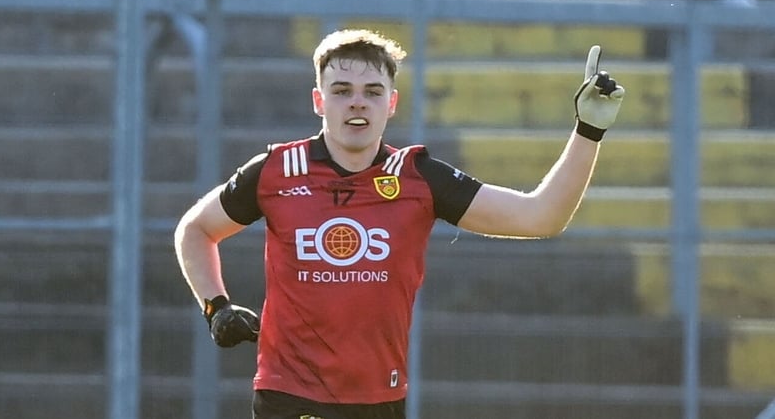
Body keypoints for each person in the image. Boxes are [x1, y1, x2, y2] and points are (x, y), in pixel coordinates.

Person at [174, 28, 624, 419]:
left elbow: (540, 217)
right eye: (342, 90)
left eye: (372, 92)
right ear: (318, 100)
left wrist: (589, 131)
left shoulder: (418, 177)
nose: (357, 103)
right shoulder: (276, 170)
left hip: (381, 398)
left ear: (391, 103)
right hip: (290, 394)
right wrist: (216, 306)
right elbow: (196, 230)